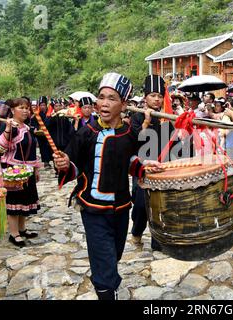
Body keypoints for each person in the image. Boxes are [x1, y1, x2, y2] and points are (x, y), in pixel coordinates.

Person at [53, 72, 163, 300]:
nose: (104, 103)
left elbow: (131, 161)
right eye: (101, 97)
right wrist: (64, 165)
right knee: (104, 263)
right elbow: (73, 167)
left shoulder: (129, 132)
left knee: (115, 255)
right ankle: (106, 291)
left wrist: (144, 168)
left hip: (122, 208)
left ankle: (108, 283)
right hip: (93, 209)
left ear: (123, 104)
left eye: (111, 98)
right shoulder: (86, 133)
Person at [130, 75, 178, 250]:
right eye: (152, 95)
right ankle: (136, 231)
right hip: (142, 165)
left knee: (161, 204)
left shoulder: (166, 117)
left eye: (159, 96)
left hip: (163, 166)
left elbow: (175, 143)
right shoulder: (136, 116)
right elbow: (136, 141)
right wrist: (146, 122)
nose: (156, 99)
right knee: (142, 204)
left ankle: (158, 244)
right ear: (145, 98)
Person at [0, 98, 41, 247]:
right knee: (14, 202)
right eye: (22, 107)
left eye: (27, 108)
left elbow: (33, 149)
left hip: (27, 171)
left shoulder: (27, 127)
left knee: (25, 200)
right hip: (12, 171)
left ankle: (22, 229)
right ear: (13, 110)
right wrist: (8, 129)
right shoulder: (6, 126)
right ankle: (14, 234)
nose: (26, 111)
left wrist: (36, 168)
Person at [31, 96, 53, 168]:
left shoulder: (50, 113)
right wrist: (36, 128)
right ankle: (46, 162)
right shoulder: (36, 114)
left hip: (50, 133)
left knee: (50, 147)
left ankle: (52, 160)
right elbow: (33, 123)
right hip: (40, 134)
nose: (42, 107)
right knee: (43, 148)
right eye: (40, 105)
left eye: (43, 105)